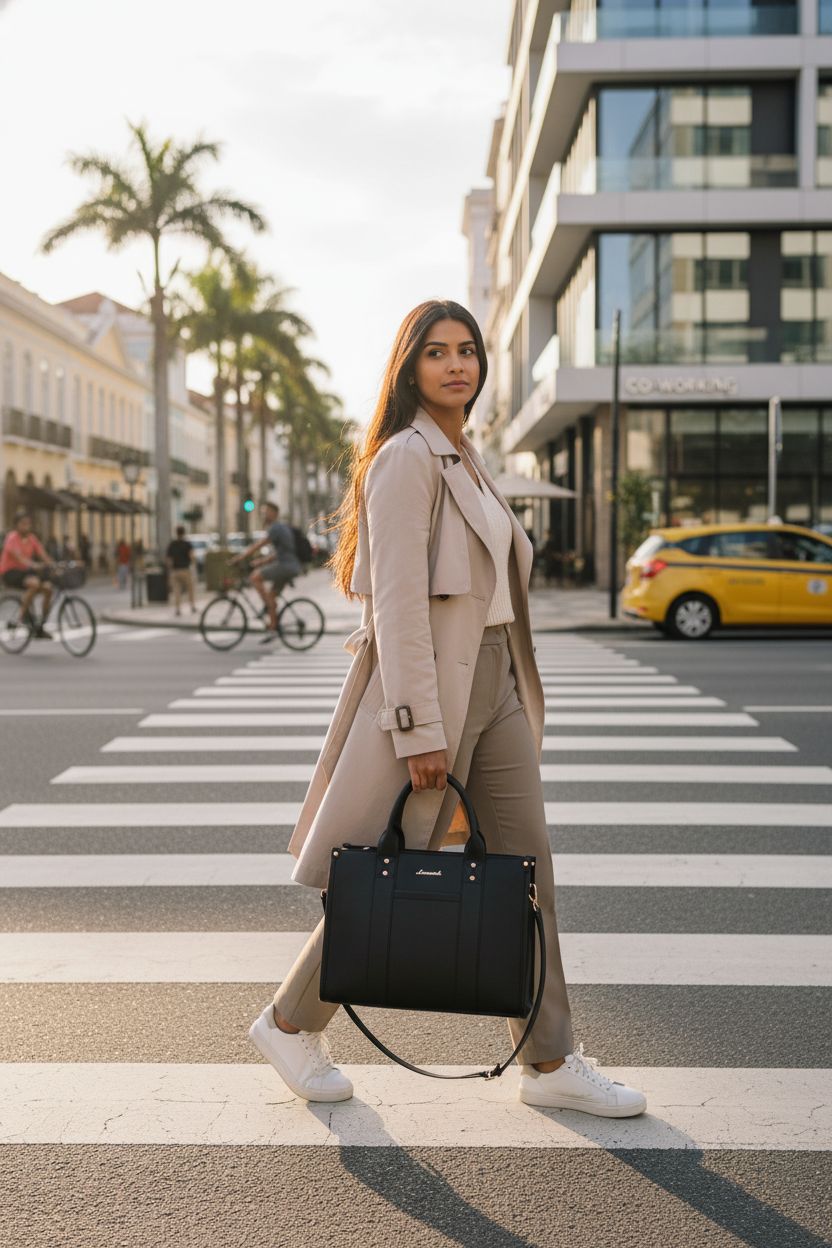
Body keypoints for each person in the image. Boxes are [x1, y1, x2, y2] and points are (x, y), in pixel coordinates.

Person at [247, 299, 647, 1117]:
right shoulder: (407, 457)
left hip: (494, 679)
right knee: (392, 873)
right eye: (437, 353)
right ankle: (289, 1021)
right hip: (439, 692)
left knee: (527, 872)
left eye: (467, 350)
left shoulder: (467, 455)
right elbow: (395, 605)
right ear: (410, 368)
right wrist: (418, 728)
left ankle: (548, 1060)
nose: (456, 364)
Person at [230, 501, 301, 643]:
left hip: (286, 566)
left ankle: (269, 610)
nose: (264, 514)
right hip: (290, 565)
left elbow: (258, 545)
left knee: (255, 577)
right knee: (271, 595)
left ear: (274, 513)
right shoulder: (280, 528)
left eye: (266, 511)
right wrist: (260, 562)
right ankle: (273, 624)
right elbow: (279, 553)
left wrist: (240, 558)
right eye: (263, 512)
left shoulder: (275, 528)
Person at [0, 510, 55, 638]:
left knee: (48, 589)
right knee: (34, 583)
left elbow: (43, 554)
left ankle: (40, 625)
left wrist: (54, 565)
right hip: (10, 572)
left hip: (25, 572)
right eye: (23, 524)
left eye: (28, 524)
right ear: (17, 525)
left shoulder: (32, 538)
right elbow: (18, 557)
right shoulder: (11, 538)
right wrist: (34, 565)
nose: (26, 526)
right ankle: (21, 616)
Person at [165, 525, 196, 615]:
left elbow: (168, 560)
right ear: (184, 532)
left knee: (177, 591)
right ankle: (192, 606)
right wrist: (193, 564)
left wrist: (170, 570)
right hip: (185, 570)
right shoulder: (187, 544)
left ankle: (178, 609)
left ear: (176, 533)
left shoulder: (172, 544)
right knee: (190, 589)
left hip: (175, 571)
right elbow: (192, 556)